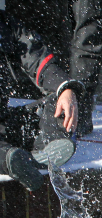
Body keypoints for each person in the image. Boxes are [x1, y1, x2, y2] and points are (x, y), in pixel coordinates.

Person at [0, 7, 83, 191]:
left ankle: (49, 145)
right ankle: (11, 159)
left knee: (61, 100)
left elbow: (39, 61)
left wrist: (66, 88)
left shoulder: (6, 25)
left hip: (4, 121)